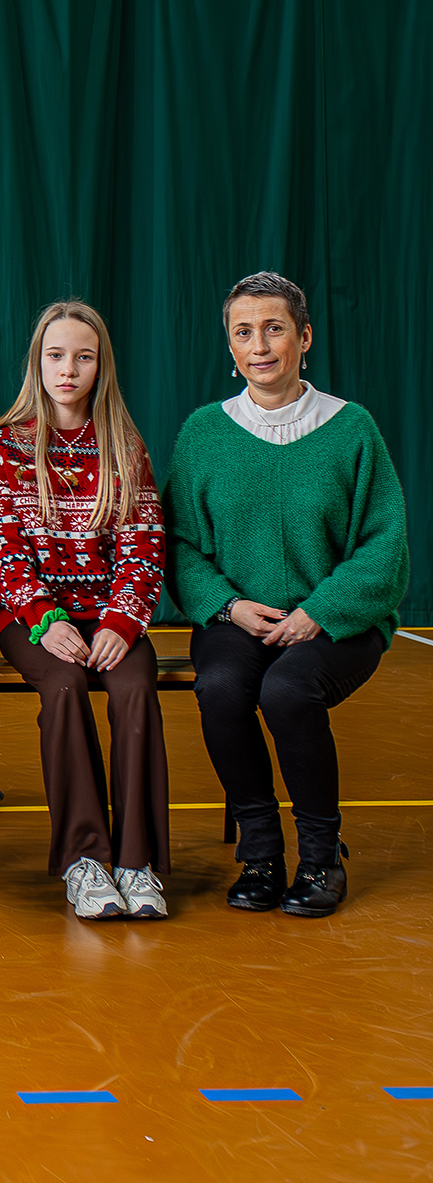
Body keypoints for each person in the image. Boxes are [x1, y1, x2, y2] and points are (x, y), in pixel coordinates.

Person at [166, 272, 408, 919]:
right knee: (221, 686)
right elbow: (180, 544)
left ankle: (322, 856)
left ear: (304, 337)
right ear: (230, 347)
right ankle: (261, 853)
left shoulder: (352, 429)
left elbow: (384, 545)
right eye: (243, 332)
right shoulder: (204, 433)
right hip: (237, 616)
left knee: (287, 690)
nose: (260, 345)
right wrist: (227, 605)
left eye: (274, 328)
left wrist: (319, 612)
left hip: (336, 622)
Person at [0, 303, 170, 921]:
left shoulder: (124, 444)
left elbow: (144, 546)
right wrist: (45, 619)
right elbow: (4, 549)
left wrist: (121, 623)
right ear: (38, 363)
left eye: (83, 357)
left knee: (135, 690)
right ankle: (85, 858)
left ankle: (136, 861)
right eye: (56, 356)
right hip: (31, 618)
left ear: (100, 366)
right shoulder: (8, 443)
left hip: (109, 616)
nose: (68, 369)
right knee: (64, 686)